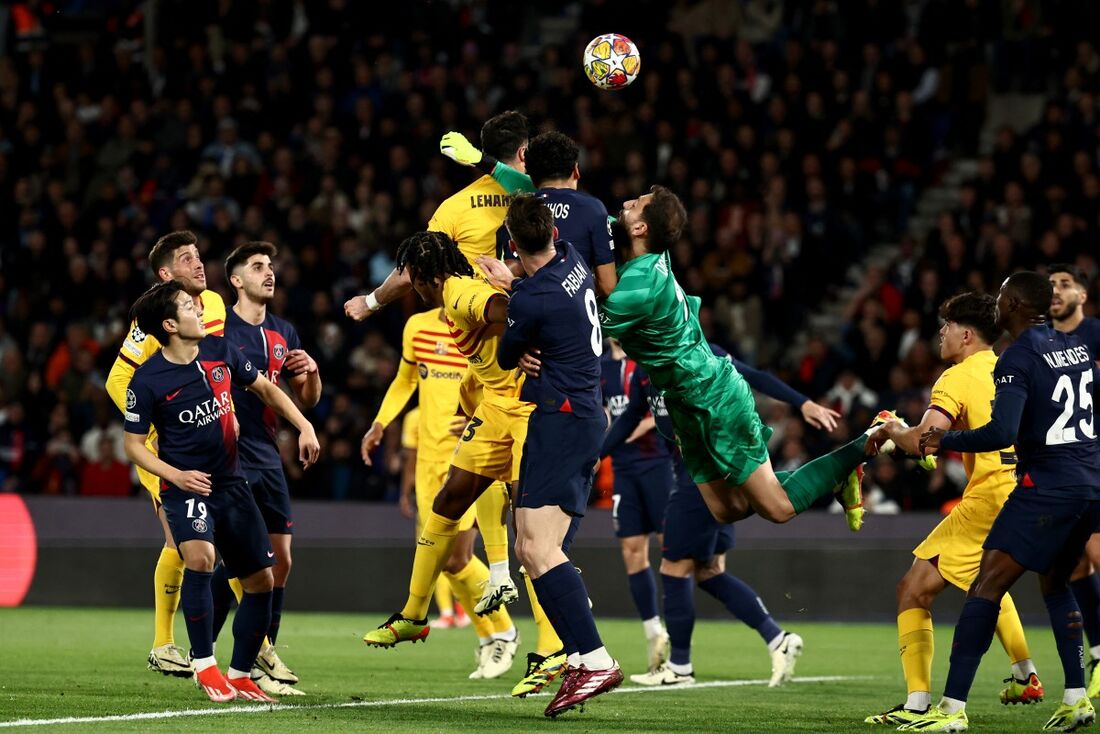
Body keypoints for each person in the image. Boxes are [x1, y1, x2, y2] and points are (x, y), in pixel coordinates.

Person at [487, 186, 875, 529]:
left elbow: (575, 315)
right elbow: (590, 220)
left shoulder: (639, 288)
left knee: (776, 508)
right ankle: (834, 474)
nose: (624, 204)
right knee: (728, 510)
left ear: (641, 229)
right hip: (682, 401)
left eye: (634, 205)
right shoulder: (648, 253)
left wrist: (516, 284)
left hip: (713, 394)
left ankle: (861, 449)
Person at [899, 272, 1100, 733]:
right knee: (1056, 585)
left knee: (985, 588)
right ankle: (1076, 698)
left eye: (1002, 297)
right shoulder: (1078, 348)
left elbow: (1001, 432)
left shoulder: (1017, 358)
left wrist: (945, 439)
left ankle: (949, 711)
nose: (998, 305)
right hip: (1089, 486)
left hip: (1045, 487)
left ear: (1012, 305)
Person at [345, 110, 523, 619]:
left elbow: (415, 265)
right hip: (528, 336)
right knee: (515, 498)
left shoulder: (456, 206)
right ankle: (498, 593)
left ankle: (501, 605)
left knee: (508, 493)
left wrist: (372, 301)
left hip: (487, 333)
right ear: (525, 151)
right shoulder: (542, 198)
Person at [122, 281, 320, 703]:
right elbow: (133, 445)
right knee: (201, 556)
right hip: (188, 486)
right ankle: (205, 665)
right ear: (171, 324)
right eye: (186, 306)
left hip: (232, 482)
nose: (198, 308)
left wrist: (303, 424)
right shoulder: (147, 379)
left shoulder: (220, 350)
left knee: (262, 581)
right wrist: (174, 476)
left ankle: (242, 673)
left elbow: (266, 389)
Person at [604, 342, 837, 687]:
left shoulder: (695, 352)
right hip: (697, 473)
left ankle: (680, 667)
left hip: (705, 475)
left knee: (674, 566)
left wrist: (801, 402)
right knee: (709, 571)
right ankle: (779, 640)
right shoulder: (646, 371)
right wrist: (594, 455)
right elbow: (629, 418)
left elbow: (753, 375)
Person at [864, 293, 1043, 726]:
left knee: (913, 588)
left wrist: (891, 428)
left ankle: (918, 705)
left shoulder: (956, 377)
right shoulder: (1013, 364)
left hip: (987, 498)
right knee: (988, 580)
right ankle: (1026, 676)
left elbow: (925, 437)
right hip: (1028, 489)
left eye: (946, 325)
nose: (940, 333)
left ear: (965, 334)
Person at [361, 229, 533, 649]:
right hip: (473, 420)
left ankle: (548, 643)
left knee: (533, 540)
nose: (410, 288)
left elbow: (503, 307)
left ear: (426, 276)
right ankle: (417, 613)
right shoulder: (425, 319)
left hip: (517, 410)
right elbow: (410, 379)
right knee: (447, 511)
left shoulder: (458, 294)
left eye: (411, 278)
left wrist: (525, 329)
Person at [494, 193, 622, 717]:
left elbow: (506, 355)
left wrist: (507, 286)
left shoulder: (532, 298)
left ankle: (593, 659)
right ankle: (579, 655)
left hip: (563, 418)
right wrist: (517, 278)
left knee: (541, 551)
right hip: (578, 413)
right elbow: (536, 282)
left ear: (513, 245)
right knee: (529, 546)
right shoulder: (571, 257)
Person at [104, 230, 227, 677]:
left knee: (217, 544)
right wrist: (157, 426)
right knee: (183, 543)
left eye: (199, 255)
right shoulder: (155, 317)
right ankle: (165, 643)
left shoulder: (212, 304)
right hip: (169, 450)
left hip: (215, 443)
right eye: (186, 258)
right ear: (165, 273)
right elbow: (118, 381)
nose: (198, 264)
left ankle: (225, 647)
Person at [210, 241, 322, 695]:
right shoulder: (221, 330)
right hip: (232, 452)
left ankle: (254, 649)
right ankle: (245, 655)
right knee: (249, 557)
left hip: (269, 451)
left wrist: (311, 372)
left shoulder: (284, 332)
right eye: (257, 267)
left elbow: (305, 397)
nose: (268, 273)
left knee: (280, 560)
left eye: (271, 266)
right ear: (236, 280)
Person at [1049, 264, 1100, 696]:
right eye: (1050, 285)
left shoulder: (1095, 335)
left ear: (1082, 295)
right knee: (1074, 564)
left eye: (1065, 284)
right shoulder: (1040, 343)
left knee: (1095, 551)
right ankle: (1099, 652)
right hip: (1061, 468)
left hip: (1095, 461)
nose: (1056, 291)